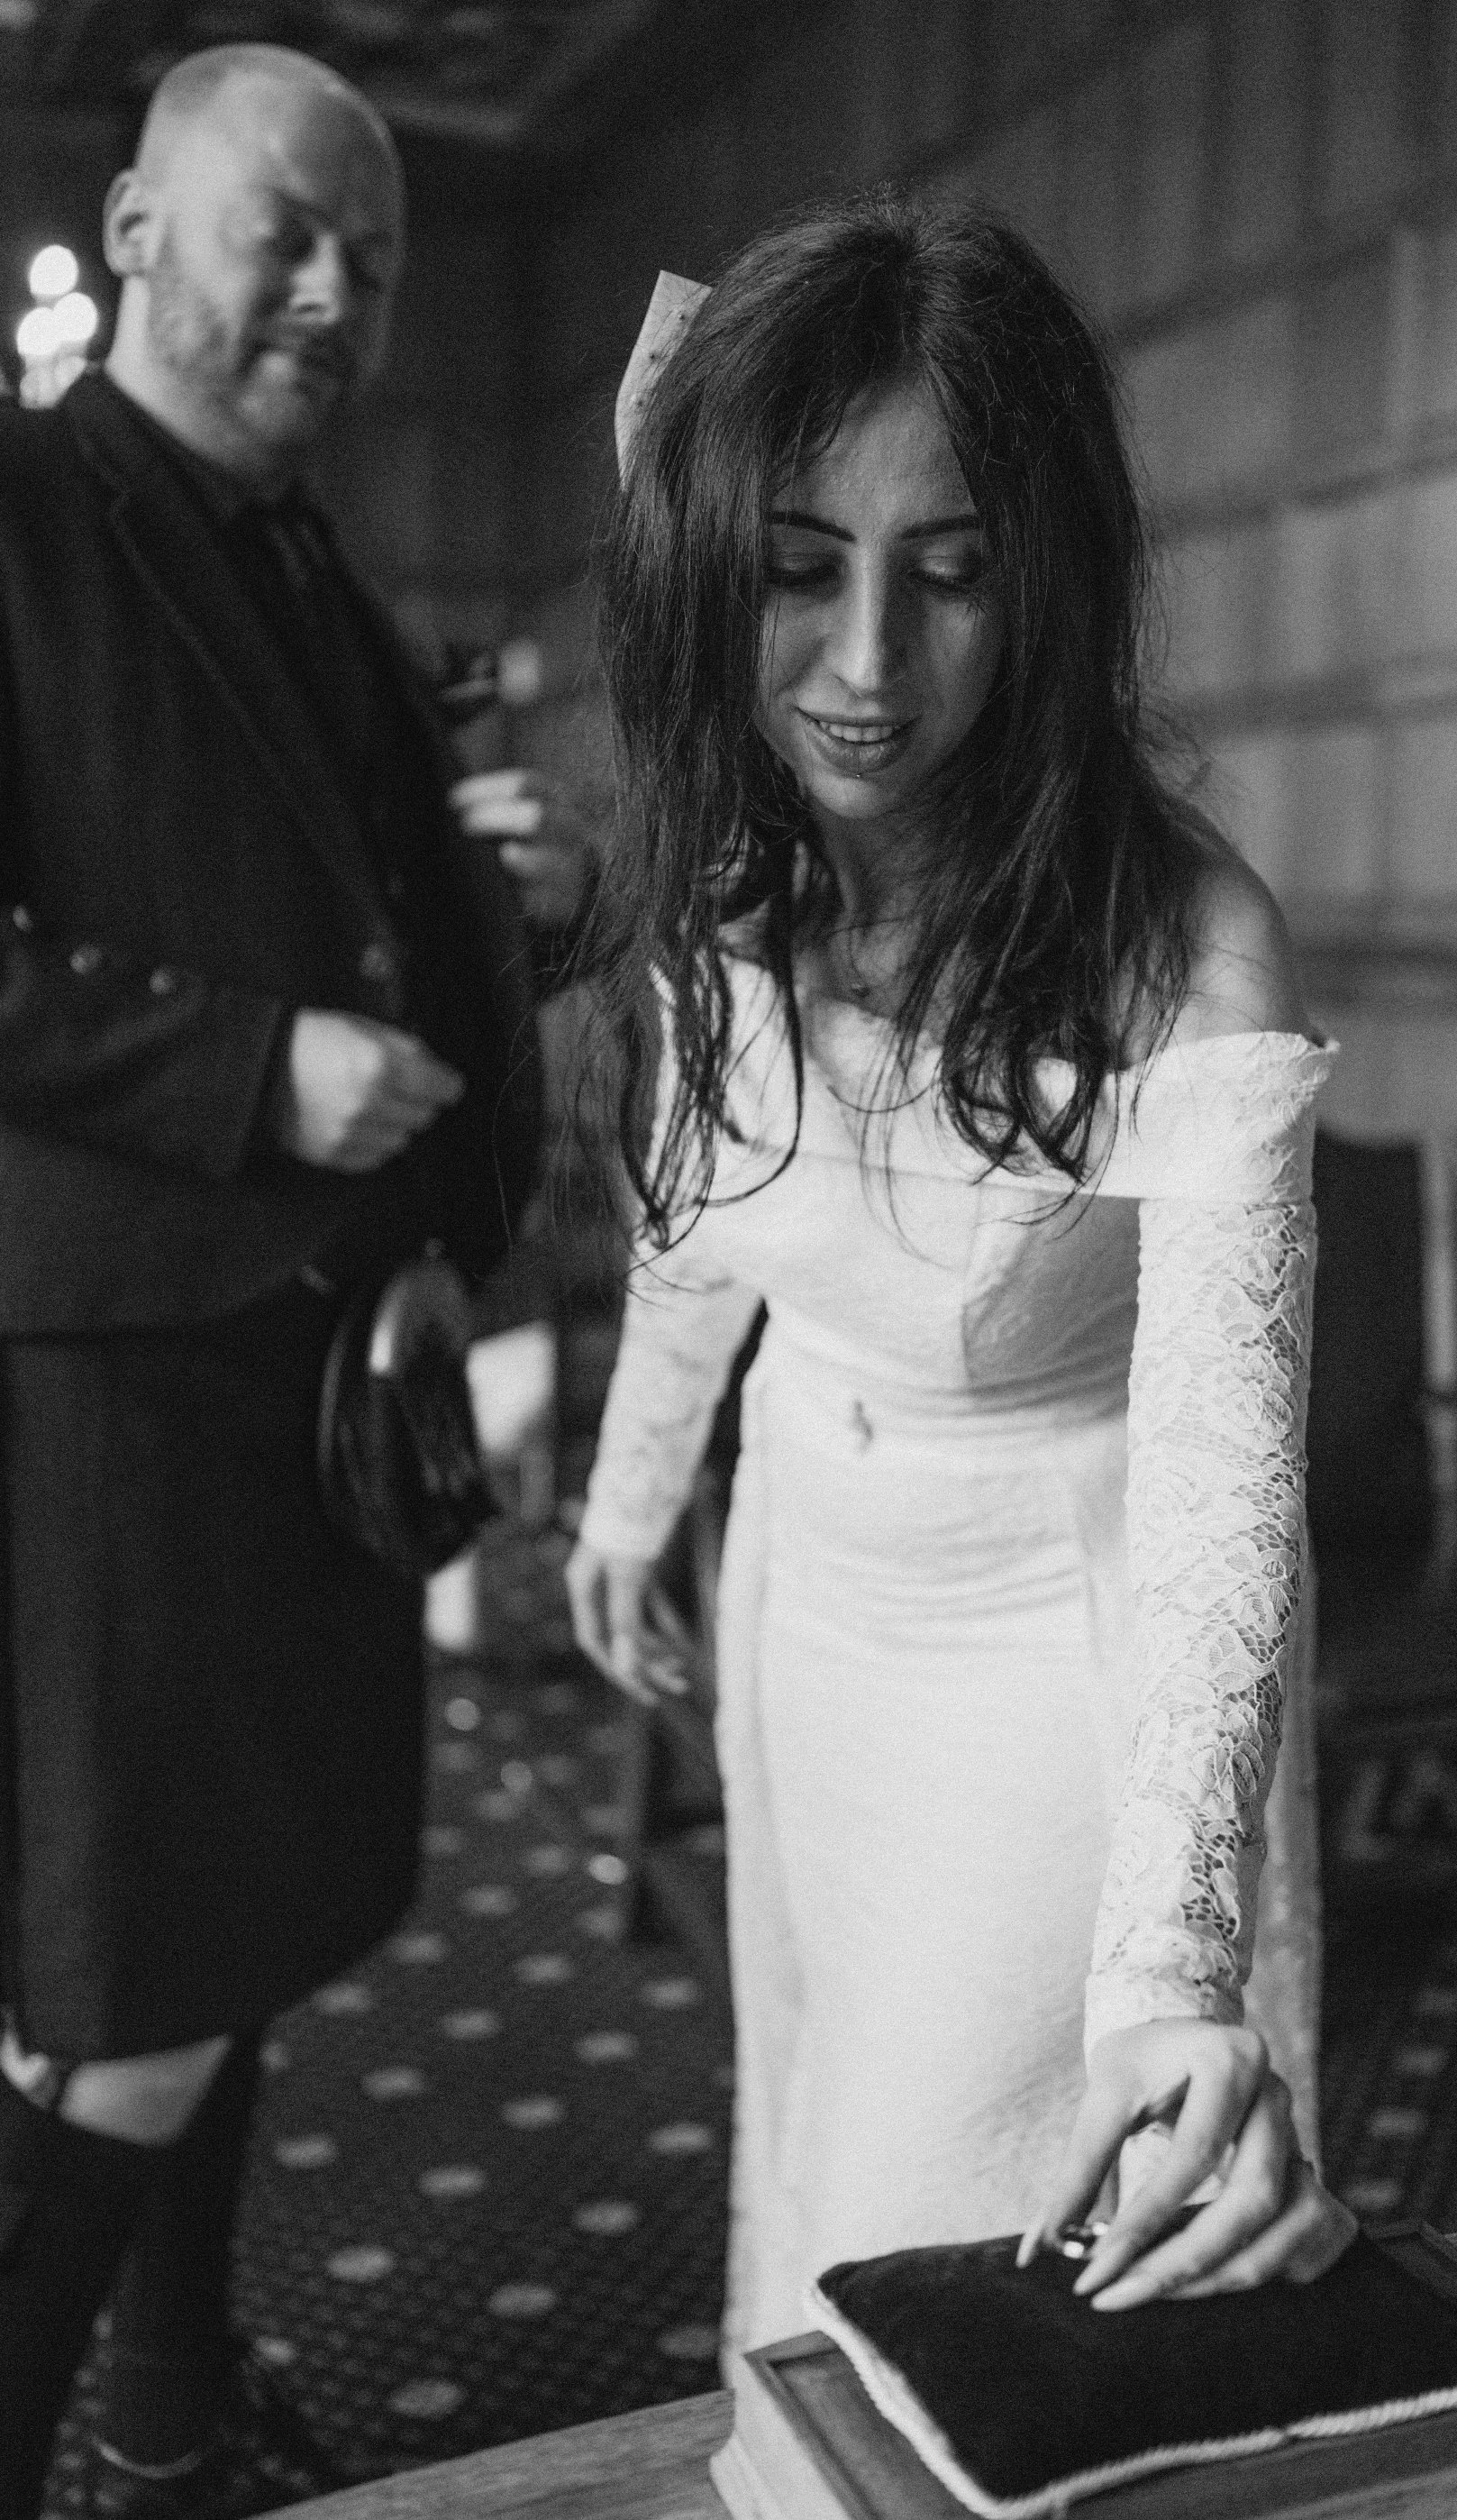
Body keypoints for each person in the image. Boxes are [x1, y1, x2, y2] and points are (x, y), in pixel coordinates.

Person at [566, 195, 1357, 2362]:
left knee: (948, 2231)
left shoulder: (1185, 946)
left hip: (1057, 1650)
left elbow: (1217, 1490)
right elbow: (691, 1224)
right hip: (807, 1600)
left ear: (1049, 576)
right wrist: (634, 1497)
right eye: (798, 569)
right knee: (809, 2130)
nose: (862, 668)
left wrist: (1177, 1958)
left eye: (950, 573)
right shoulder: (726, 870)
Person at [0, 45, 547, 2516]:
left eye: (377, 254)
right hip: (114, 1377)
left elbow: (326, 887)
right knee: (123, 1998)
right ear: (133, 224)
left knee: (227, 1948)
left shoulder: (303, 547)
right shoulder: (15, 508)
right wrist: (242, 1076)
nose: (334, 291)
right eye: (281, 232)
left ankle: (171, 2404)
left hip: (308, 1363)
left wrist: (480, 888)